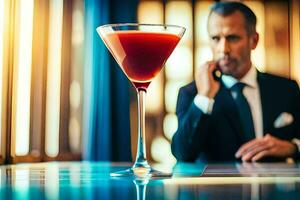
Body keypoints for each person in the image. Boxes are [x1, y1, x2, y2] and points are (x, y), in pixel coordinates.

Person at [171, 1, 300, 162]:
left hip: (274, 186)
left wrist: (293, 147)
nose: (223, 49)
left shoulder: (286, 89)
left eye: (232, 38)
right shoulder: (192, 93)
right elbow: (182, 153)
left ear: (254, 41)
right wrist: (205, 96)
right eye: (215, 38)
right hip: (219, 187)